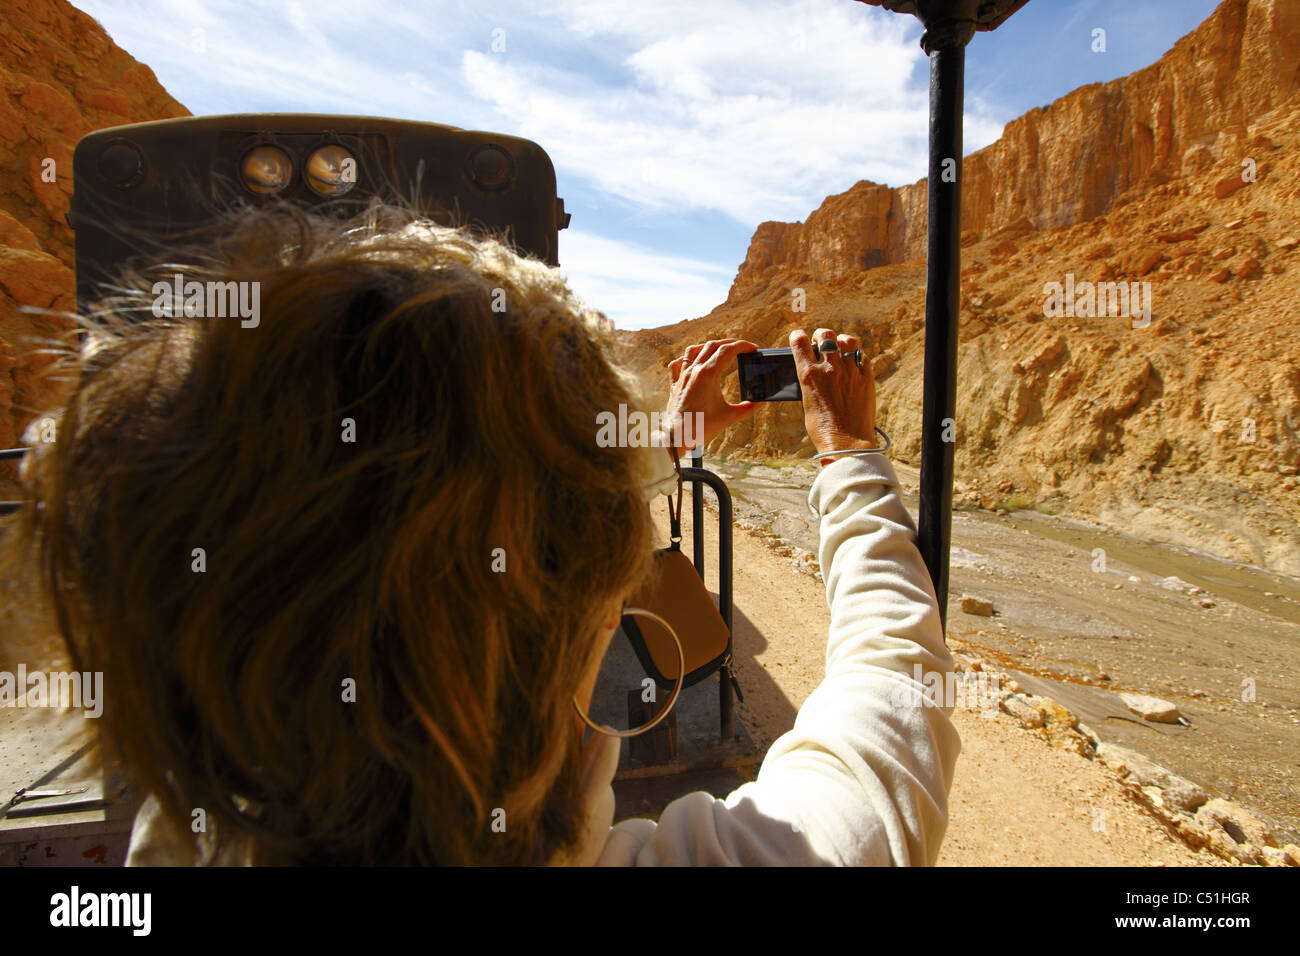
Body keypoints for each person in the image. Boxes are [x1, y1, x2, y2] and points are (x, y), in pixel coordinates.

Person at [3, 203, 959, 866]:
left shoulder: (183, 842)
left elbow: (404, 493)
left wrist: (664, 445)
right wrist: (850, 452)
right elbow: (890, 701)